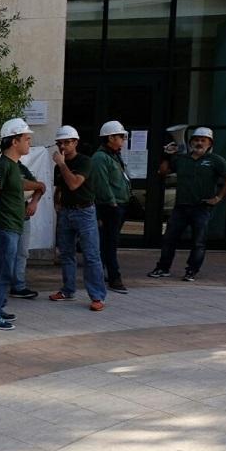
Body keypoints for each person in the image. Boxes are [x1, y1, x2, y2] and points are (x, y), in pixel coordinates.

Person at [147, 126, 226, 282]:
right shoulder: (182, 159)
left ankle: (191, 271)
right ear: (190, 142)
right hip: (181, 207)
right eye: (196, 140)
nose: (199, 143)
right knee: (169, 239)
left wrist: (218, 197)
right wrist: (167, 156)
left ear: (210, 143)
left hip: (202, 207)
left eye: (203, 140)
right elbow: (163, 172)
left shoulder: (215, 160)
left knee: (198, 242)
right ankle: (163, 268)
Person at [0, 117, 34, 330]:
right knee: (1, 271)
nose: (29, 142)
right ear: (14, 141)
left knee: (5, 270)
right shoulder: (1, 166)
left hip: (11, 226)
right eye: (26, 139)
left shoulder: (14, 166)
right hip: (3, 227)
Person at [50, 125, 106, 311]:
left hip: (84, 211)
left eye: (67, 142)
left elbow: (74, 183)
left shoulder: (84, 162)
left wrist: (62, 164)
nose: (63, 146)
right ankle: (68, 290)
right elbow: (60, 186)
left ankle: (97, 296)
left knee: (91, 255)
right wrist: (57, 203)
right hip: (66, 211)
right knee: (66, 253)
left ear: (75, 143)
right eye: (60, 143)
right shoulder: (60, 166)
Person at [92, 120, 131, 294]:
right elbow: (101, 183)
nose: (123, 140)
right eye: (120, 137)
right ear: (110, 138)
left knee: (108, 242)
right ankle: (114, 278)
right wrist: (112, 202)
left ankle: (103, 274)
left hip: (118, 204)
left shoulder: (114, 156)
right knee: (109, 243)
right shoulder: (100, 158)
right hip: (109, 206)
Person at [10, 161, 46, 299]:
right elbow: (19, 184)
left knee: (22, 252)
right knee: (6, 253)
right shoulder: (3, 165)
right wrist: (38, 185)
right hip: (7, 217)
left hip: (23, 216)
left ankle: (18, 286)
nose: (27, 150)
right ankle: (0, 288)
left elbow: (40, 188)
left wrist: (34, 202)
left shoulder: (22, 167)